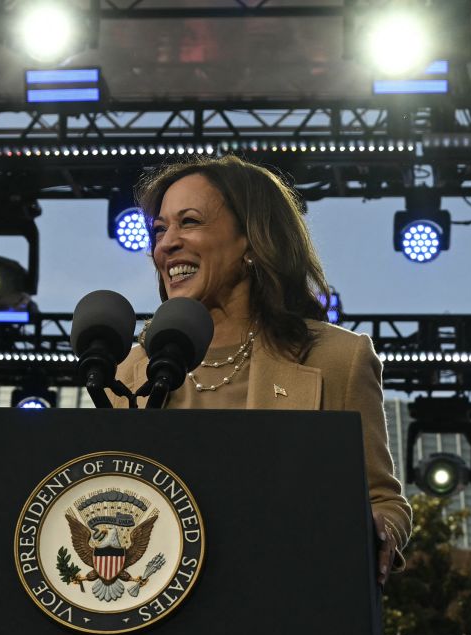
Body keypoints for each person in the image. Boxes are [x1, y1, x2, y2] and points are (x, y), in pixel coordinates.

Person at [116, 156, 413, 579]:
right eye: (161, 229)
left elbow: (382, 500)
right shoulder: (129, 374)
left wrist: (380, 529)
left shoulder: (337, 359)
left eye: (190, 222)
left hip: (283, 600)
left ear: (252, 241)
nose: (166, 244)